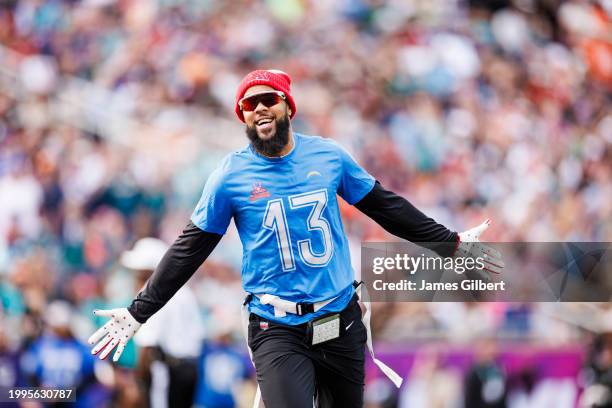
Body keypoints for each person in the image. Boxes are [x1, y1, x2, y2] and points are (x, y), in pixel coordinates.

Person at [88, 69, 503, 407]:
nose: (259, 109)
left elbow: (384, 205)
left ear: (288, 105)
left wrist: (448, 243)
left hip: (338, 318)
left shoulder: (327, 156)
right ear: (242, 116)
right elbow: (190, 249)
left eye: (268, 99)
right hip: (278, 325)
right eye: (249, 105)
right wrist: (139, 311)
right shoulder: (231, 176)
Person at [121, 238, 204, 408]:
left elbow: (147, 345)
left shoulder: (153, 293)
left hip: (166, 370)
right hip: (190, 369)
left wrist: (138, 382)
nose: (135, 275)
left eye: (139, 270)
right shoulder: (185, 292)